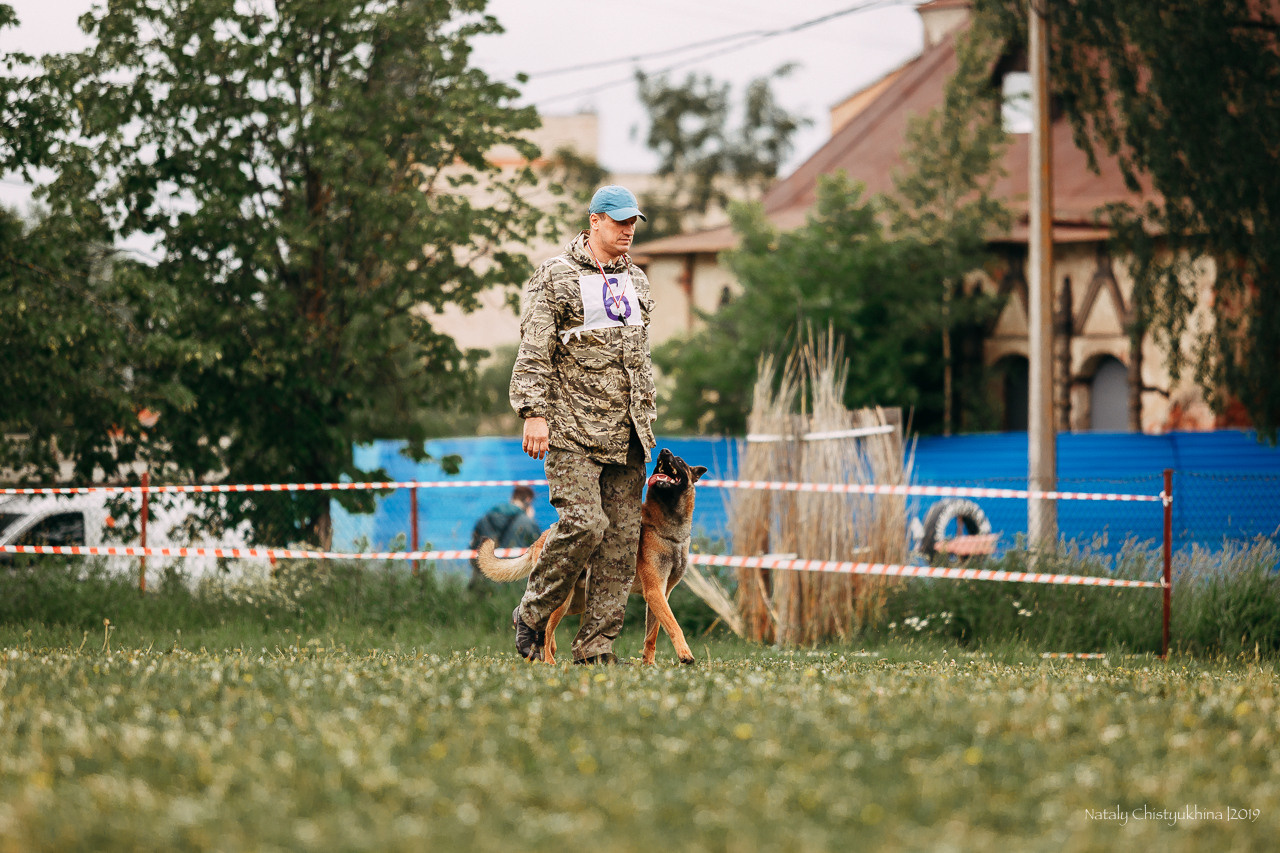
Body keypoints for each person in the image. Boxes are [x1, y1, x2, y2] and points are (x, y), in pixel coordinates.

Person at [508, 185, 657, 665]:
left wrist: (647, 421)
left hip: (628, 432)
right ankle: (531, 614)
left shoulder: (638, 280)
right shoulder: (555, 276)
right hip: (571, 429)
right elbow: (535, 349)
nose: (628, 230)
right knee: (585, 525)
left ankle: (596, 648)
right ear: (594, 221)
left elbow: (638, 359)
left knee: (619, 542)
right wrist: (533, 412)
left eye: (633, 222)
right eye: (619, 222)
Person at [468, 485, 541, 593]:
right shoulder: (527, 523)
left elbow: (473, 552)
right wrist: (530, 520)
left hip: (485, 585)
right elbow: (540, 556)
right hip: (514, 587)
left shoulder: (485, 519)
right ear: (528, 500)